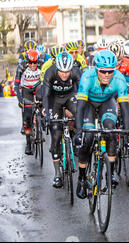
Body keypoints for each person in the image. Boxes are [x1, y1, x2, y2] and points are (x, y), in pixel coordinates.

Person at [74, 50, 129, 198]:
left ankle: (111, 173)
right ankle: (81, 178)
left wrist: (127, 130)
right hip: (89, 104)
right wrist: (79, 133)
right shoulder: (87, 77)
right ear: (96, 69)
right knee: (87, 139)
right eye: (103, 71)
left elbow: (124, 107)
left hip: (107, 102)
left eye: (110, 72)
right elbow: (79, 108)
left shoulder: (119, 79)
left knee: (111, 130)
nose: (107, 75)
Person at [40, 52, 81, 188]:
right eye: (62, 72)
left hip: (70, 96)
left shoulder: (76, 72)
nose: (64, 75)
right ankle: (57, 174)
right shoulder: (50, 73)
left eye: (67, 72)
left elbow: (82, 92)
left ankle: (76, 139)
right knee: (56, 136)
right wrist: (46, 115)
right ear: (56, 68)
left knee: (79, 114)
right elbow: (45, 96)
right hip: (54, 100)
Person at [14, 50, 43, 155]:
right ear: (27, 61)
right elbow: (16, 85)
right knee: (27, 116)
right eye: (30, 62)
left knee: (42, 100)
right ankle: (28, 144)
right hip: (26, 89)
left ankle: (42, 120)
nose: (33, 65)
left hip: (38, 87)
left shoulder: (42, 64)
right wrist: (20, 99)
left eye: (35, 62)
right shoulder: (21, 66)